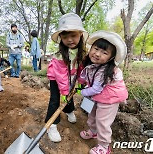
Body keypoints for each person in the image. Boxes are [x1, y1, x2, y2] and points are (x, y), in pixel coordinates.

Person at [78, 31, 128, 154]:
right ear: (91, 48)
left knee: (103, 121)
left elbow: (96, 89)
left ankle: (104, 146)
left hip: (109, 98)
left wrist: (83, 92)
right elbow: (88, 78)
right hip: (98, 96)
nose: (98, 54)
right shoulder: (93, 64)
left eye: (104, 52)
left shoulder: (104, 70)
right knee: (92, 114)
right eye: (96, 49)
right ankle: (94, 132)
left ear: (111, 58)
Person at [45, 13, 88, 142]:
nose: (69, 40)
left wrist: (81, 82)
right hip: (56, 77)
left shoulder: (83, 52)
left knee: (70, 95)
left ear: (80, 34)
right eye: (65, 36)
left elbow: (81, 68)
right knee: (55, 99)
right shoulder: (60, 55)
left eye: (73, 35)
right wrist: (64, 91)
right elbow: (61, 75)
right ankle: (51, 125)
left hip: (72, 74)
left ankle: (69, 110)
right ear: (60, 38)